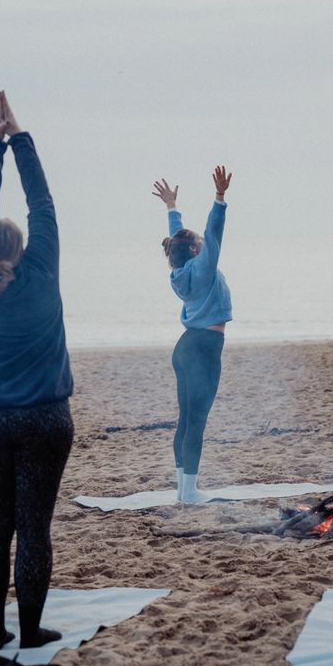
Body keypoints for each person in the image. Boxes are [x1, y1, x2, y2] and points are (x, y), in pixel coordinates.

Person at [0, 92, 74, 650]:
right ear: (25, 249)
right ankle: (29, 632)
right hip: (45, 421)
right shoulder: (42, 271)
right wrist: (18, 136)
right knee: (33, 529)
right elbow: (42, 203)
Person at [153, 166, 233, 504]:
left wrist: (172, 208)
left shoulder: (180, 267)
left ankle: (183, 487)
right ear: (199, 252)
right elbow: (212, 232)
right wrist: (219, 198)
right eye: (201, 245)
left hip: (186, 348)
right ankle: (189, 492)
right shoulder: (203, 267)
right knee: (196, 421)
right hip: (203, 348)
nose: (204, 244)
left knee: (186, 418)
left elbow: (179, 240)